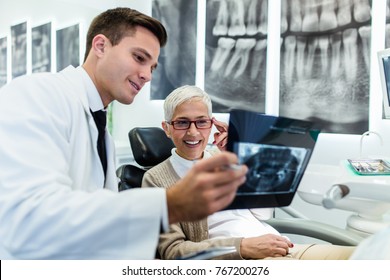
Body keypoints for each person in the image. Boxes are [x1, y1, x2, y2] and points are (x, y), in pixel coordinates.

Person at [0, 7, 248, 260]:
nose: (147, 75)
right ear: (100, 46)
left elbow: (99, 230)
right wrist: (169, 205)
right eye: (139, 58)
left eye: (152, 66)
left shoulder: (100, 130)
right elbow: (29, 221)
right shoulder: (37, 94)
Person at [142, 85, 356, 260]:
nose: (193, 132)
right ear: (167, 128)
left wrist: (241, 158)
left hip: (282, 247)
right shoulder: (155, 179)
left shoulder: (222, 157)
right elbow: (174, 252)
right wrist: (242, 247)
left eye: (201, 121)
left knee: (368, 257)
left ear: (211, 124)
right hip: (242, 260)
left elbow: (262, 214)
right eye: (181, 122)